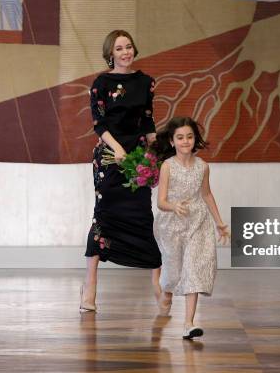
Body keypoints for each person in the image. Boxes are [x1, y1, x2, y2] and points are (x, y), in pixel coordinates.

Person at [80, 30, 162, 312]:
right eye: (119, 48)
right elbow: (99, 124)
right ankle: (90, 285)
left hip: (139, 159)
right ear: (110, 53)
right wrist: (116, 148)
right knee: (103, 216)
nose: (126, 52)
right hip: (109, 157)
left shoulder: (146, 83)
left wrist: (158, 156)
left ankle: (157, 285)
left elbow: (149, 123)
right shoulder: (101, 84)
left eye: (128, 47)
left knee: (142, 215)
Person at [152, 117, 230, 339]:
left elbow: (206, 194)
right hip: (172, 225)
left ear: (194, 139)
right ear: (172, 141)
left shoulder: (203, 166)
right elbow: (161, 202)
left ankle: (188, 323)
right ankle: (165, 291)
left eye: (189, 136)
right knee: (173, 272)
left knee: (193, 269)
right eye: (180, 137)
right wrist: (173, 206)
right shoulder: (167, 166)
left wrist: (219, 222)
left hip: (198, 222)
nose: (185, 141)